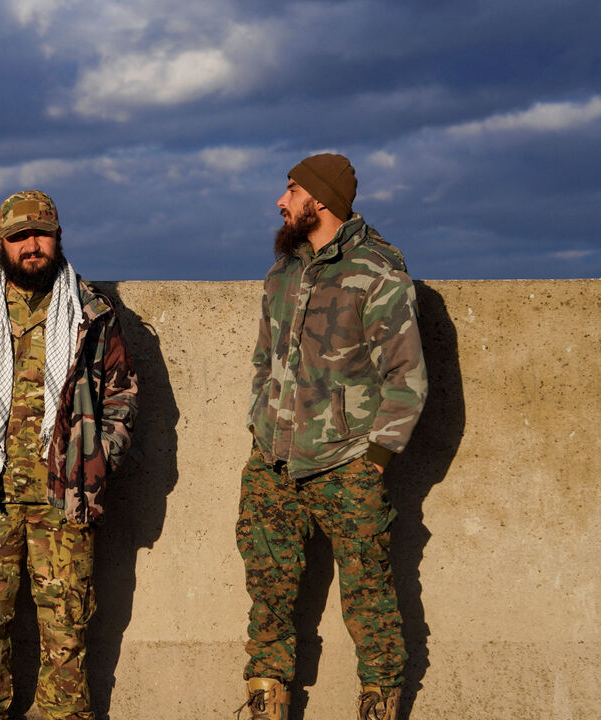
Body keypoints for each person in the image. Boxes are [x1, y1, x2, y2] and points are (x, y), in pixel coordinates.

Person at [0, 190, 138, 720]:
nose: (31, 246)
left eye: (40, 234)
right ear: (0, 242)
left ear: (58, 237)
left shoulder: (91, 310)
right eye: (19, 237)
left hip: (65, 496)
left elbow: (123, 394)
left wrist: (100, 457)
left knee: (67, 629)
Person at [235, 154, 427, 720]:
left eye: (290, 190)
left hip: (348, 466)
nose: (281, 201)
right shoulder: (282, 275)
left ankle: (380, 704)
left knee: (370, 600)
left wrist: (375, 458)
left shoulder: (378, 273)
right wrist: (259, 426)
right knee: (267, 598)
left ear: (318, 200)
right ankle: (266, 705)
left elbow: (407, 376)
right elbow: (263, 361)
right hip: (273, 462)